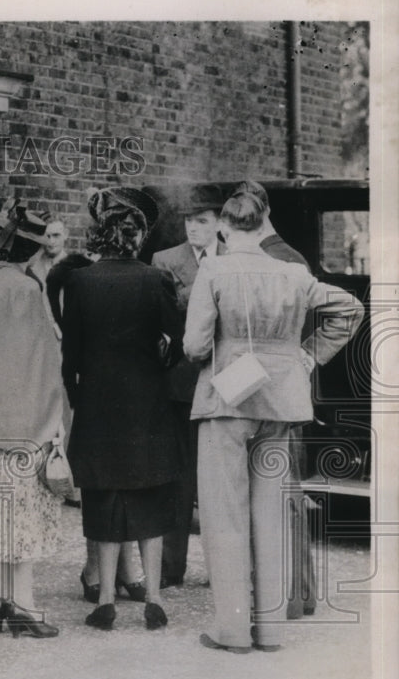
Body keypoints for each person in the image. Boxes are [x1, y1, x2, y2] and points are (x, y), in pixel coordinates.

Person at [186, 191, 363, 653]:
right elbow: (349, 309)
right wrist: (306, 355)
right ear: (263, 224)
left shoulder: (214, 269)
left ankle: (232, 631)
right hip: (281, 403)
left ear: (224, 228)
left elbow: (194, 346)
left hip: (227, 401)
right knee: (270, 515)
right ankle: (270, 631)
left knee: (224, 517)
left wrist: (223, 351)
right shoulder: (292, 273)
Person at [61, 187, 183, 632]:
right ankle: (152, 597)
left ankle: (107, 599)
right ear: (137, 238)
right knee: (148, 494)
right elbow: (178, 343)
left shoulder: (79, 282)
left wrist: (80, 398)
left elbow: (70, 355)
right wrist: (159, 364)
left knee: (103, 498)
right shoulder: (156, 280)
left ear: (101, 234)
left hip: (97, 403)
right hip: (146, 402)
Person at [0, 197, 66, 638]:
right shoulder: (28, 290)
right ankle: (24, 607)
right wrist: (52, 428)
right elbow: (43, 364)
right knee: (22, 528)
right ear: (32, 251)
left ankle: (2, 602)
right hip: (26, 427)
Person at [46, 252, 148, 604]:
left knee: (126, 478)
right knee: (98, 484)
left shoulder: (100, 291)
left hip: (107, 396)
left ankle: (126, 568)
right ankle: (94, 567)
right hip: (74, 396)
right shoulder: (68, 289)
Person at [233, 180, 315, 619]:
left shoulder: (275, 258)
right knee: (285, 493)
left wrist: (307, 354)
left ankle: (282, 595)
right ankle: (294, 594)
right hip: (278, 390)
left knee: (277, 496)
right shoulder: (290, 257)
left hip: (264, 392)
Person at [150, 183, 226, 589]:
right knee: (177, 475)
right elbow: (162, 323)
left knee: (219, 477)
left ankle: (223, 570)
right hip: (179, 379)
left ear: (219, 224)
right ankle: (169, 566)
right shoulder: (166, 260)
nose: (193, 228)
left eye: (202, 221)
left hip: (224, 380)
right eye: (188, 221)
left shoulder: (234, 258)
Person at [26, 216, 66, 287]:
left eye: (56, 235)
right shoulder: (32, 267)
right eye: (47, 236)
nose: (51, 241)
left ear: (66, 235)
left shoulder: (75, 268)